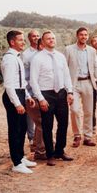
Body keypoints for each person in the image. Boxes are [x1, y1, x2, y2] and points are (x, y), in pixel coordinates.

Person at [30, 31, 75, 166]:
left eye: (53, 38)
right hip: (46, 94)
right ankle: (50, 155)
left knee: (63, 123)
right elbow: (33, 81)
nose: (51, 40)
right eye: (48, 39)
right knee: (47, 125)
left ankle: (60, 151)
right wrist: (41, 99)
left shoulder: (60, 57)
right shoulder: (37, 58)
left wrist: (70, 92)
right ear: (42, 42)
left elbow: (66, 75)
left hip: (61, 93)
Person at [1, 30, 38, 174]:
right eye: (20, 40)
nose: (24, 42)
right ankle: (16, 163)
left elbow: (21, 81)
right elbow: (9, 85)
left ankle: (21, 157)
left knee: (22, 128)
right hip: (13, 96)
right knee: (15, 129)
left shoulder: (17, 57)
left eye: (23, 40)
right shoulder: (9, 59)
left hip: (21, 93)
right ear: (12, 42)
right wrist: (17, 103)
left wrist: (27, 96)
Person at [65, 27, 97, 147]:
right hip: (74, 84)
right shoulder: (68, 49)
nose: (83, 37)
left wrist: (96, 80)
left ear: (87, 36)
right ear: (77, 36)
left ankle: (88, 137)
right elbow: (65, 68)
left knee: (89, 111)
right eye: (81, 35)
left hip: (88, 82)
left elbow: (95, 67)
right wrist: (66, 86)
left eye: (85, 35)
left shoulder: (92, 51)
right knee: (74, 110)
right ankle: (77, 135)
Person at [21, 29, 46, 160]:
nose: (36, 38)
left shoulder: (43, 54)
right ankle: (38, 147)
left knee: (40, 120)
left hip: (42, 92)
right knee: (39, 120)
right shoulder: (27, 55)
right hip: (32, 93)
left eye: (38, 36)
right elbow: (26, 77)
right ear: (29, 39)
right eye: (34, 36)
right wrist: (28, 94)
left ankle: (37, 145)